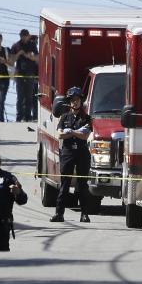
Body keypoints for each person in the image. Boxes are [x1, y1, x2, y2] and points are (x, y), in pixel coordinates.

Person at [50, 87, 92, 223]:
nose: (75, 103)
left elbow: (85, 135)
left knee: (83, 184)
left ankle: (84, 214)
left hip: (82, 152)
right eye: (72, 100)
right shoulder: (64, 117)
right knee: (65, 184)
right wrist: (76, 132)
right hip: (67, 152)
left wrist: (72, 132)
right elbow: (60, 134)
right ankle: (59, 214)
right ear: (69, 102)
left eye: (77, 100)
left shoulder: (86, 117)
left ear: (81, 101)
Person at [10, 29, 38, 122]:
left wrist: (30, 57)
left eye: (26, 36)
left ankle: (27, 117)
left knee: (29, 96)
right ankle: (19, 117)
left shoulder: (32, 44)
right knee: (20, 97)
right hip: (19, 74)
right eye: (22, 36)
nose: (24, 37)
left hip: (30, 73)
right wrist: (19, 54)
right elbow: (11, 61)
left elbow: (37, 58)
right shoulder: (16, 46)